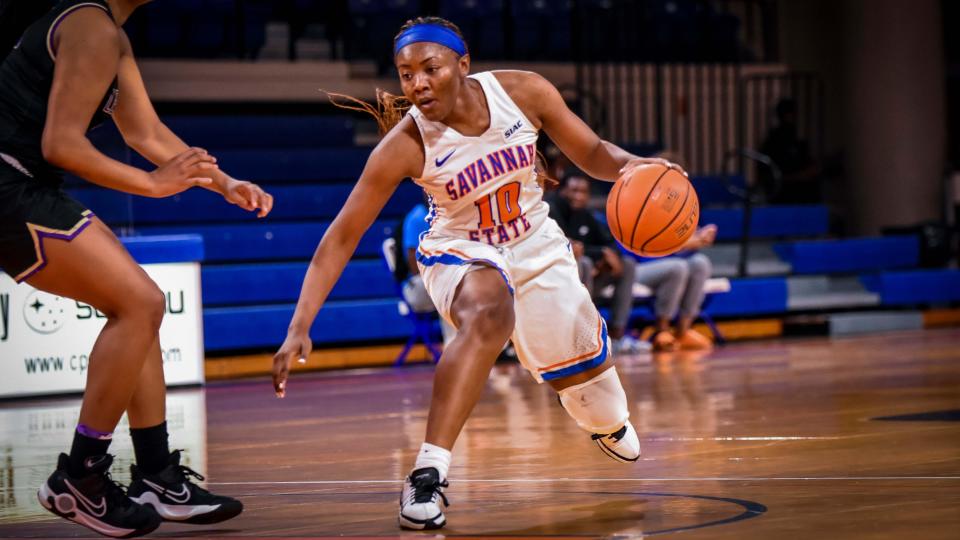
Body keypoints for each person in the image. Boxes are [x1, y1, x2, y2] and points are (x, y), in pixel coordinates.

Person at [271, 16, 682, 531]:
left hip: (535, 244)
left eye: (430, 68)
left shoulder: (524, 92)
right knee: (489, 311)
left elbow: (594, 153)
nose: (417, 83)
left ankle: (601, 417)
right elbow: (340, 237)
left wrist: (639, 167)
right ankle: (427, 473)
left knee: (600, 404)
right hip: (459, 251)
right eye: (405, 74)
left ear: (463, 65)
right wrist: (299, 323)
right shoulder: (405, 145)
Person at [0, 1, 273, 537]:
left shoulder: (109, 34)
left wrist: (225, 183)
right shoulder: (91, 27)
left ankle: (157, 475)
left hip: (25, 184)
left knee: (138, 306)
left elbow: (144, 133)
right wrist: (151, 185)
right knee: (141, 303)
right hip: (10, 184)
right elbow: (61, 143)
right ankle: (80, 477)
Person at [548, 171, 646, 354]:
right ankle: (582, 335)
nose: (578, 196)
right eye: (574, 190)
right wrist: (599, 254)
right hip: (557, 282)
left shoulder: (586, 215)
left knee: (627, 264)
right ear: (562, 191)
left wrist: (607, 257)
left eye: (583, 192)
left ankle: (617, 337)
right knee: (583, 262)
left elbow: (608, 243)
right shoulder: (551, 209)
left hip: (589, 279)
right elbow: (566, 246)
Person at [631, 224, 717, 351]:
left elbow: (684, 238)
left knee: (700, 263)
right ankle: (661, 331)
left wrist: (700, 236)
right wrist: (682, 243)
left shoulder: (677, 207)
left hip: (672, 262)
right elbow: (653, 244)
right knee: (677, 268)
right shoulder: (642, 211)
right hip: (636, 266)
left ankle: (683, 331)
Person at [400, 200, 455, 344]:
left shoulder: (449, 214)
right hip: (417, 286)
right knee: (450, 287)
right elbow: (414, 265)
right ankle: (452, 345)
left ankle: (500, 345)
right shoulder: (418, 217)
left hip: (442, 281)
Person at [759, 98, 821, 203]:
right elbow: (769, 176)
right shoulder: (775, 142)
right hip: (784, 197)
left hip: (796, 198)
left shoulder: (794, 140)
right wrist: (800, 176)